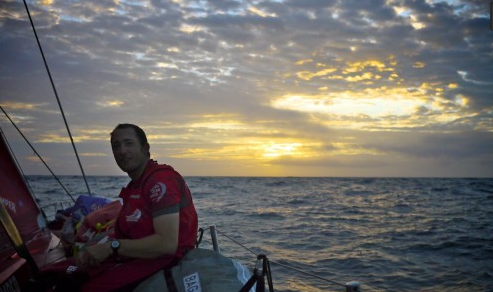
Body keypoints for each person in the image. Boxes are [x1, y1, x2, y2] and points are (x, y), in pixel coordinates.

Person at [76, 123, 198, 291]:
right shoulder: (136, 185)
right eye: (116, 146)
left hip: (166, 262)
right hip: (137, 258)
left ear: (145, 148)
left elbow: (167, 244)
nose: (122, 151)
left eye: (129, 143)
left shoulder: (160, 181)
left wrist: (111, 248)